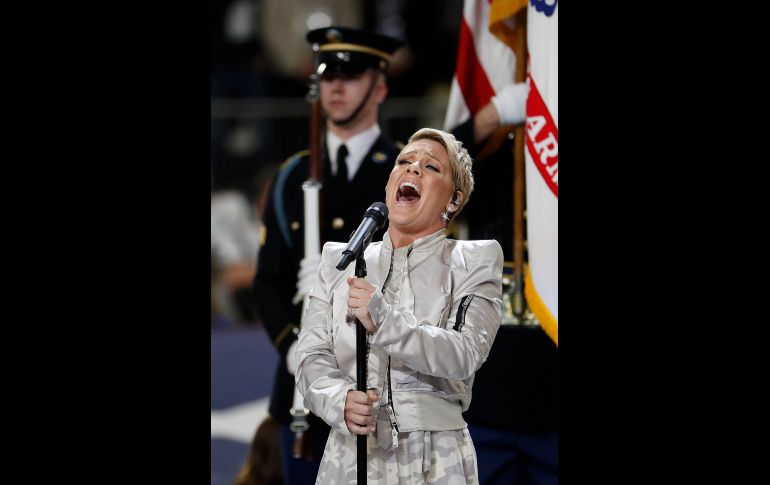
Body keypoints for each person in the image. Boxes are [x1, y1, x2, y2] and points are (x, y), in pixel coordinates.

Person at [295, 127, 504, 483]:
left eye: (431, 166)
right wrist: (338, 399)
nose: (413, 169)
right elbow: (311, 355)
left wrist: (384, 320)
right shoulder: (339, 259)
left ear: (453, 200)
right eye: (404, 161)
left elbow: (465, 353)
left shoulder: (474, 259)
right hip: (351, 453)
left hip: (436, 457)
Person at [252, 26, 405, 484]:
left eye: (352, 75)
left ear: (379, 87)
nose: (336, 87)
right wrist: (296, 349)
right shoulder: (293, 175)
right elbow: (268, 282)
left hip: (379, 394)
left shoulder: (407, 172)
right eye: (328, 75)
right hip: (303, 391)